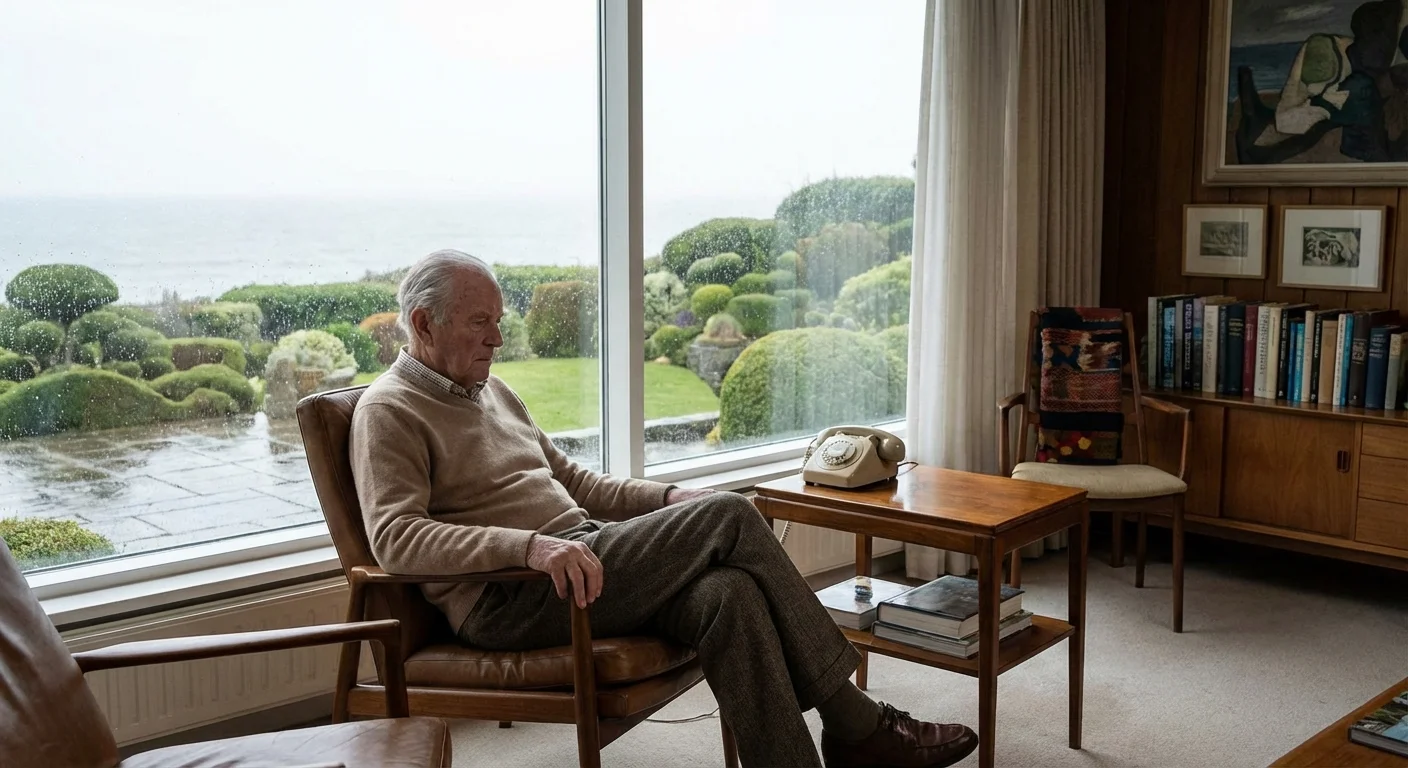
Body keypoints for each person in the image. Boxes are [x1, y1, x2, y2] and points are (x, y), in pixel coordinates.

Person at [349, 249, 977, 768]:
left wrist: (671, 498)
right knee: (731, 514)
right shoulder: (390, 409)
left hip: (586, 554)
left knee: (730, 594)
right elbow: (397, 537)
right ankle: (857, 724)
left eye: (499, 320)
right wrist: (529, 548)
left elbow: (576, 482)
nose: (498, 336)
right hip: (513, 595)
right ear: (423, 324)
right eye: (479, 321)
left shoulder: (491, 390)